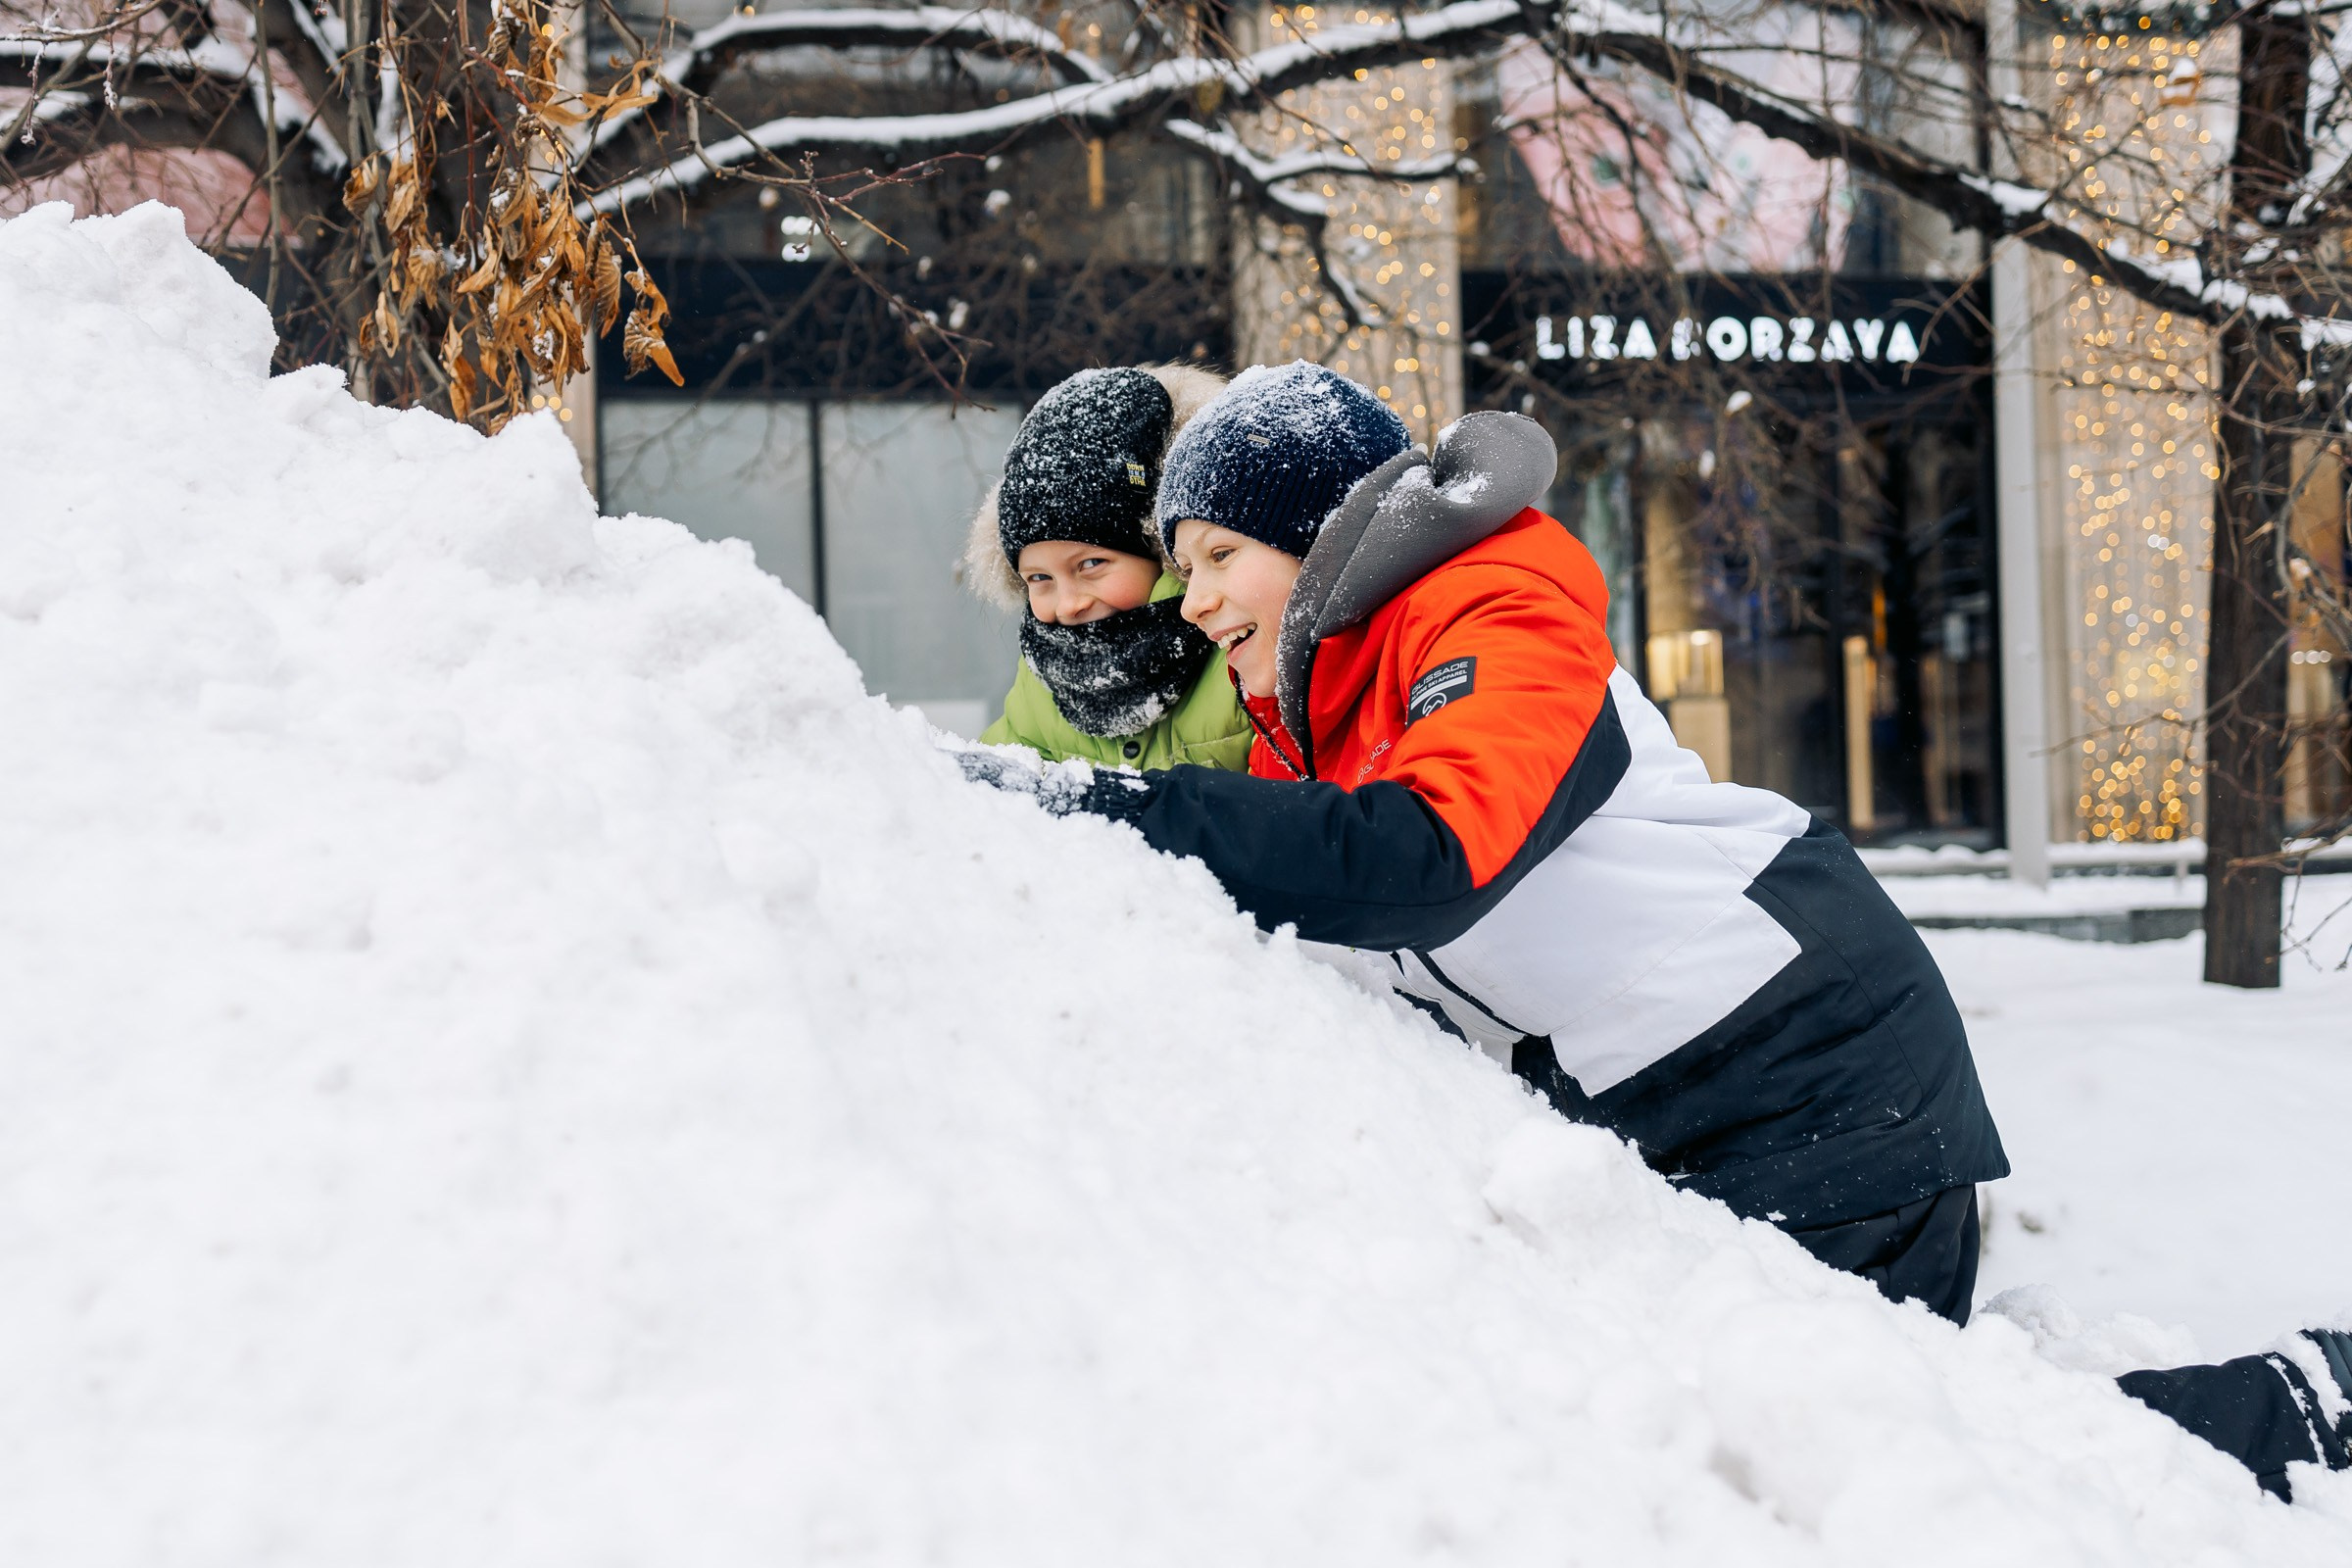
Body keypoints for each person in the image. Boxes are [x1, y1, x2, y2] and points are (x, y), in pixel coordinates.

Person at [956, 359, 2352, 1500]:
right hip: (1688, 1098)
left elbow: (1433, 857)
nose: (1193, 603)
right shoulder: (1334, 697)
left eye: (1216, 557)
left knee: (1838, 1466)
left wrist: (1098, 809)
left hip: (1815, 1069)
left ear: (1322, 533)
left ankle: (2291, 1408)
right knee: (1754, 1447)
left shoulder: (1490, 620)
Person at [962, 365, 1250, 771]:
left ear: (1159, 551)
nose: (1067, 605)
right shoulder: (1040, 686)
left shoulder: (1239, 649)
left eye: (1092, 564)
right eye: (1039, 579)